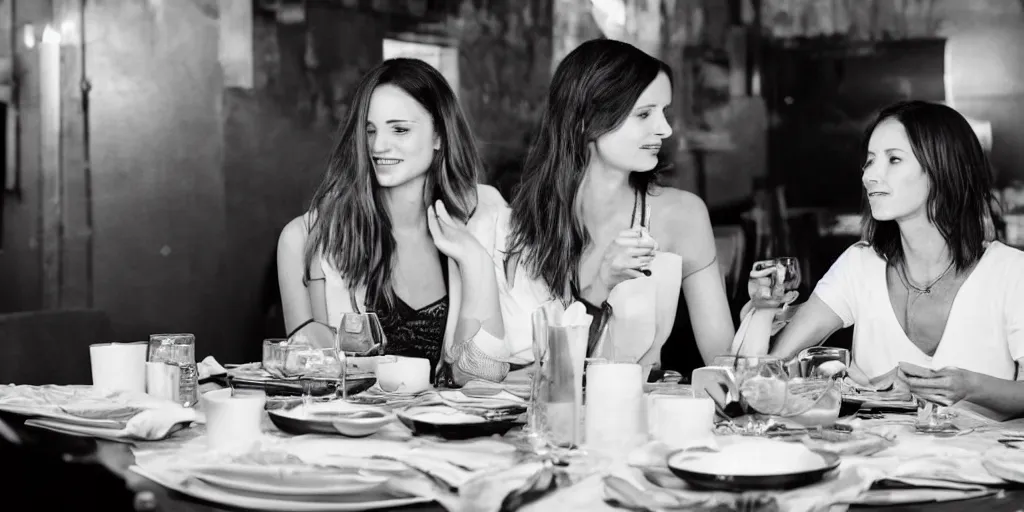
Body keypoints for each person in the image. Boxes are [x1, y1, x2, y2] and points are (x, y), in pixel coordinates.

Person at [751, 100, 1024, 420]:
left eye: (894, 160)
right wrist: (763, 312)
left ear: (943, 168)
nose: (870, 176)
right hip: (875, 462)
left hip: (977, 466)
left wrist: (969, 386)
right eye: (869, 162)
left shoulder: (1010, 272)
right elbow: (773, 366)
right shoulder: (859, 265)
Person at [500, 39, 735, 379]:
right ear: (586, 120)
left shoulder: (681, 216)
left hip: (641, 418)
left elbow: (723, 364)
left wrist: (761, 311)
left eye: (664, 112)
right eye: (644, 114)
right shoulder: (524, 222)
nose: (665, 129)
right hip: (542, 423)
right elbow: (523, 376)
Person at [276, 58, 512, 386]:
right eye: (369, 130)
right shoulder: (306, 239)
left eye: (399, 129)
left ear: (439, 136)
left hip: (438, 434)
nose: (378, 145)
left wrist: (475, 261)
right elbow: (311, 376)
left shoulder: (482, 224)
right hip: (351, 433)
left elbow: (480, 380)